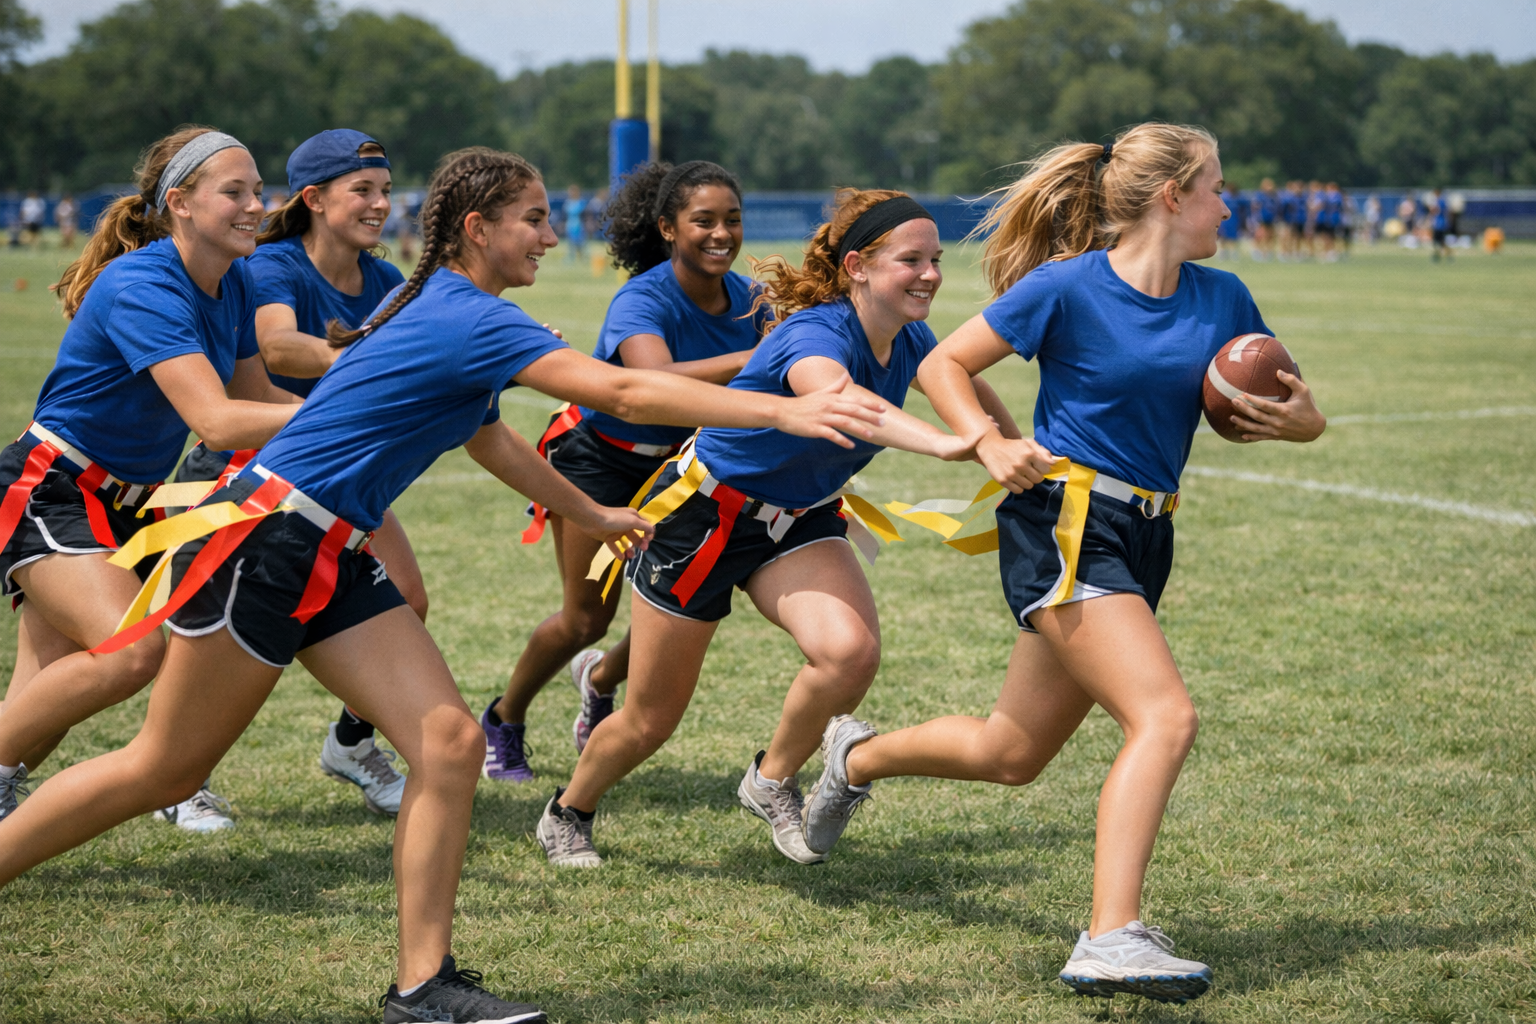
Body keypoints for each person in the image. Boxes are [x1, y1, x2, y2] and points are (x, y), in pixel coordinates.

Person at [0, 146, 883, 1024]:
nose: (548, 235)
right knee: (164, 769)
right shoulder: (469, 315)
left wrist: (594, 511)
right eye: (532, 220)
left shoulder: (439, 300)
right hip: (266, 541)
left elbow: (487, 435)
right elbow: (624, 392)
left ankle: (423, 990)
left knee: (451, 745)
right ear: (477, 229)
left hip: (332, 551)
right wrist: (783, 407)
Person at [798, 125, 1327, 1004]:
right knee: (1165, 717)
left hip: (1148, 534)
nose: (1229, 204)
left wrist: (1303, 421)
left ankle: (856, 759)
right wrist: (987, 442)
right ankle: (1110, 938)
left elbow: (1286, 404)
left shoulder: (1224, 298)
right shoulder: (1068, 286)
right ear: (1172, 198)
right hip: (1068, 520)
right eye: (1217, 188)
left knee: (1012, 752)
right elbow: (946, 364)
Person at [533, 187, 1017, 870]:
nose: (932, 274)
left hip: (799, 520)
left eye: (935, 259)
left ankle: (769, 781)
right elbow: (840, 399)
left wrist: (1005, 447)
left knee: (850, 654)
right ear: (858, 266)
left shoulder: (912, 337)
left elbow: (958, 381)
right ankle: (568, 812)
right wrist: (946, 445)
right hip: (705, 517)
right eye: (913, 260)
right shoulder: (815, 333)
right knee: (650, 720)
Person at [0, 127, 299, 830]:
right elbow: (219, 422)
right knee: (128, 653)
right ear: (181, 203)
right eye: (236, 191)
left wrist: (375, 408)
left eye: (257, 189)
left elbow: (262, 401)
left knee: (39, 710)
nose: (258, 205)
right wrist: (347, 416)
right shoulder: (142, 282)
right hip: (52, 486)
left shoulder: (235, 279)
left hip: (121, 504)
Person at [486, 160, 764, 781]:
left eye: (733, 220)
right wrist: (753, 354)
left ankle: (600, 679)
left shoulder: (752, 300)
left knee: (685, 603)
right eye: (704, 221)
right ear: (668, 228)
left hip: (683, 471)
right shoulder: (643, 296)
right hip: (601, 461)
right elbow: (648, 383)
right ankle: (504, 718)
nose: (722, 233)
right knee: (586, 619)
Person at [172, 129, 417, 817]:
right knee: (224, 643)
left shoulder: (385, 281)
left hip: (331, 474)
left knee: (410, 599)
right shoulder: (273, 264)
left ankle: (350, 745)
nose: (380, 205)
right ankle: (179, 778)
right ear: (314, 198)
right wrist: (359, 365)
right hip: (245, 471)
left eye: (386, 192)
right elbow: (278, 343)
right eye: (362, 191)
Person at [1252, 178, 1278, 260]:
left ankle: (1268, 251)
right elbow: (1255, 206)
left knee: (1271, 236)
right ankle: (1258, 251)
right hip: (1262, 218)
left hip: (1271, 218)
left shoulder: (1274, 196)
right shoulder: (1260, 195)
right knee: (1261, 235)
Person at [562, 185, 587, 262]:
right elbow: (564, 215)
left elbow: (585, 215)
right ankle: (571, 257)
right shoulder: (568, 202)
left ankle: (582, 257)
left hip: (579, 225)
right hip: (570, 225)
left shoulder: (581, 202)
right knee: (571, 242)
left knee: (580, 243)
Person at [1430, 187, 1452, 262]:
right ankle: (1444, 255)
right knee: (1440, 242)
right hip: (1440, 223)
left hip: (1439, 224)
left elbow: (1435, 210)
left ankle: (1439, 256)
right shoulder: (1442, 201)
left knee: (1438, 241)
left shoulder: (1439, 201)